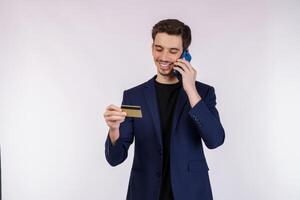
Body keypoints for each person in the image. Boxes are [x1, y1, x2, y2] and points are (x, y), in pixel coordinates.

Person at [103, 19, 225, 200]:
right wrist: (114, 130)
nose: (164, 57)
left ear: (185, 53)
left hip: (190, 191)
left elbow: (215, 140)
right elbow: (115, 158)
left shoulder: (203, 93)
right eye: (159, 49)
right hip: (146, 192)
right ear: (152, 48)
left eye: (173, 51)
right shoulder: (133, 96)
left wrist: (190, 89)